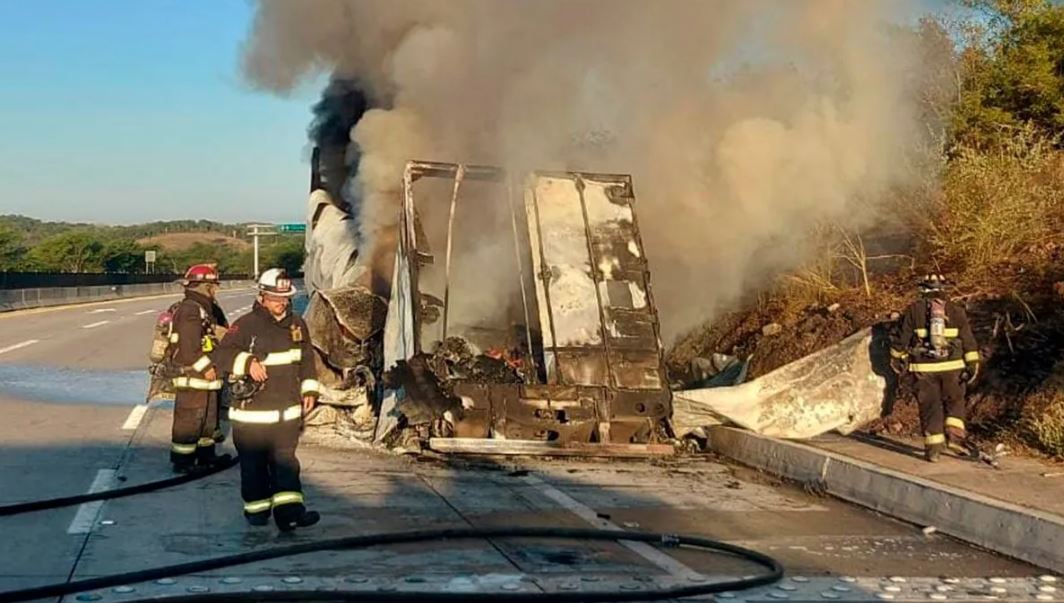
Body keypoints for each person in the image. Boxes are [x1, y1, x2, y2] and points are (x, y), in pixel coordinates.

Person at [212, 268, 322, 531]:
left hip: (287, 414)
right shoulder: (246, 325)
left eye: (284, 298)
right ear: (262, 296)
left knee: (286, 465)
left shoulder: (297, 324)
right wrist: (247, 362)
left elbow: (306, 359)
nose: (280, 303)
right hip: (252, 418)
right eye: (274, 298)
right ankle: (257, 511)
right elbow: (221, 355)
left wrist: (309, 389)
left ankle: (290, 514)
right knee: (254, 467)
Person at [890, 274, 981, 462]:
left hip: (924, 368)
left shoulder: (914, 310)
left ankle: (933, 449)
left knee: (930, 405)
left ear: (923, 290)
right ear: (944, 289)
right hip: (953, 368)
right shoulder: (956, 311)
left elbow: (901, 339)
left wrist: (896, 358)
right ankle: (955, 438)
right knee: (955, 401)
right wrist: (972, 365)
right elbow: (968, 341)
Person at [168, 264, 227, 473]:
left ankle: (206, 456)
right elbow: (189, 347)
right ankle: (183, 461)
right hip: (193, 376)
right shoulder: (190, 309)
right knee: (189, 420)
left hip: (206, 377)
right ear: (205, 286)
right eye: (214, 285)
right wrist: (206, 367)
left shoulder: (205, 308)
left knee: (207, 420)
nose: (216, 290)